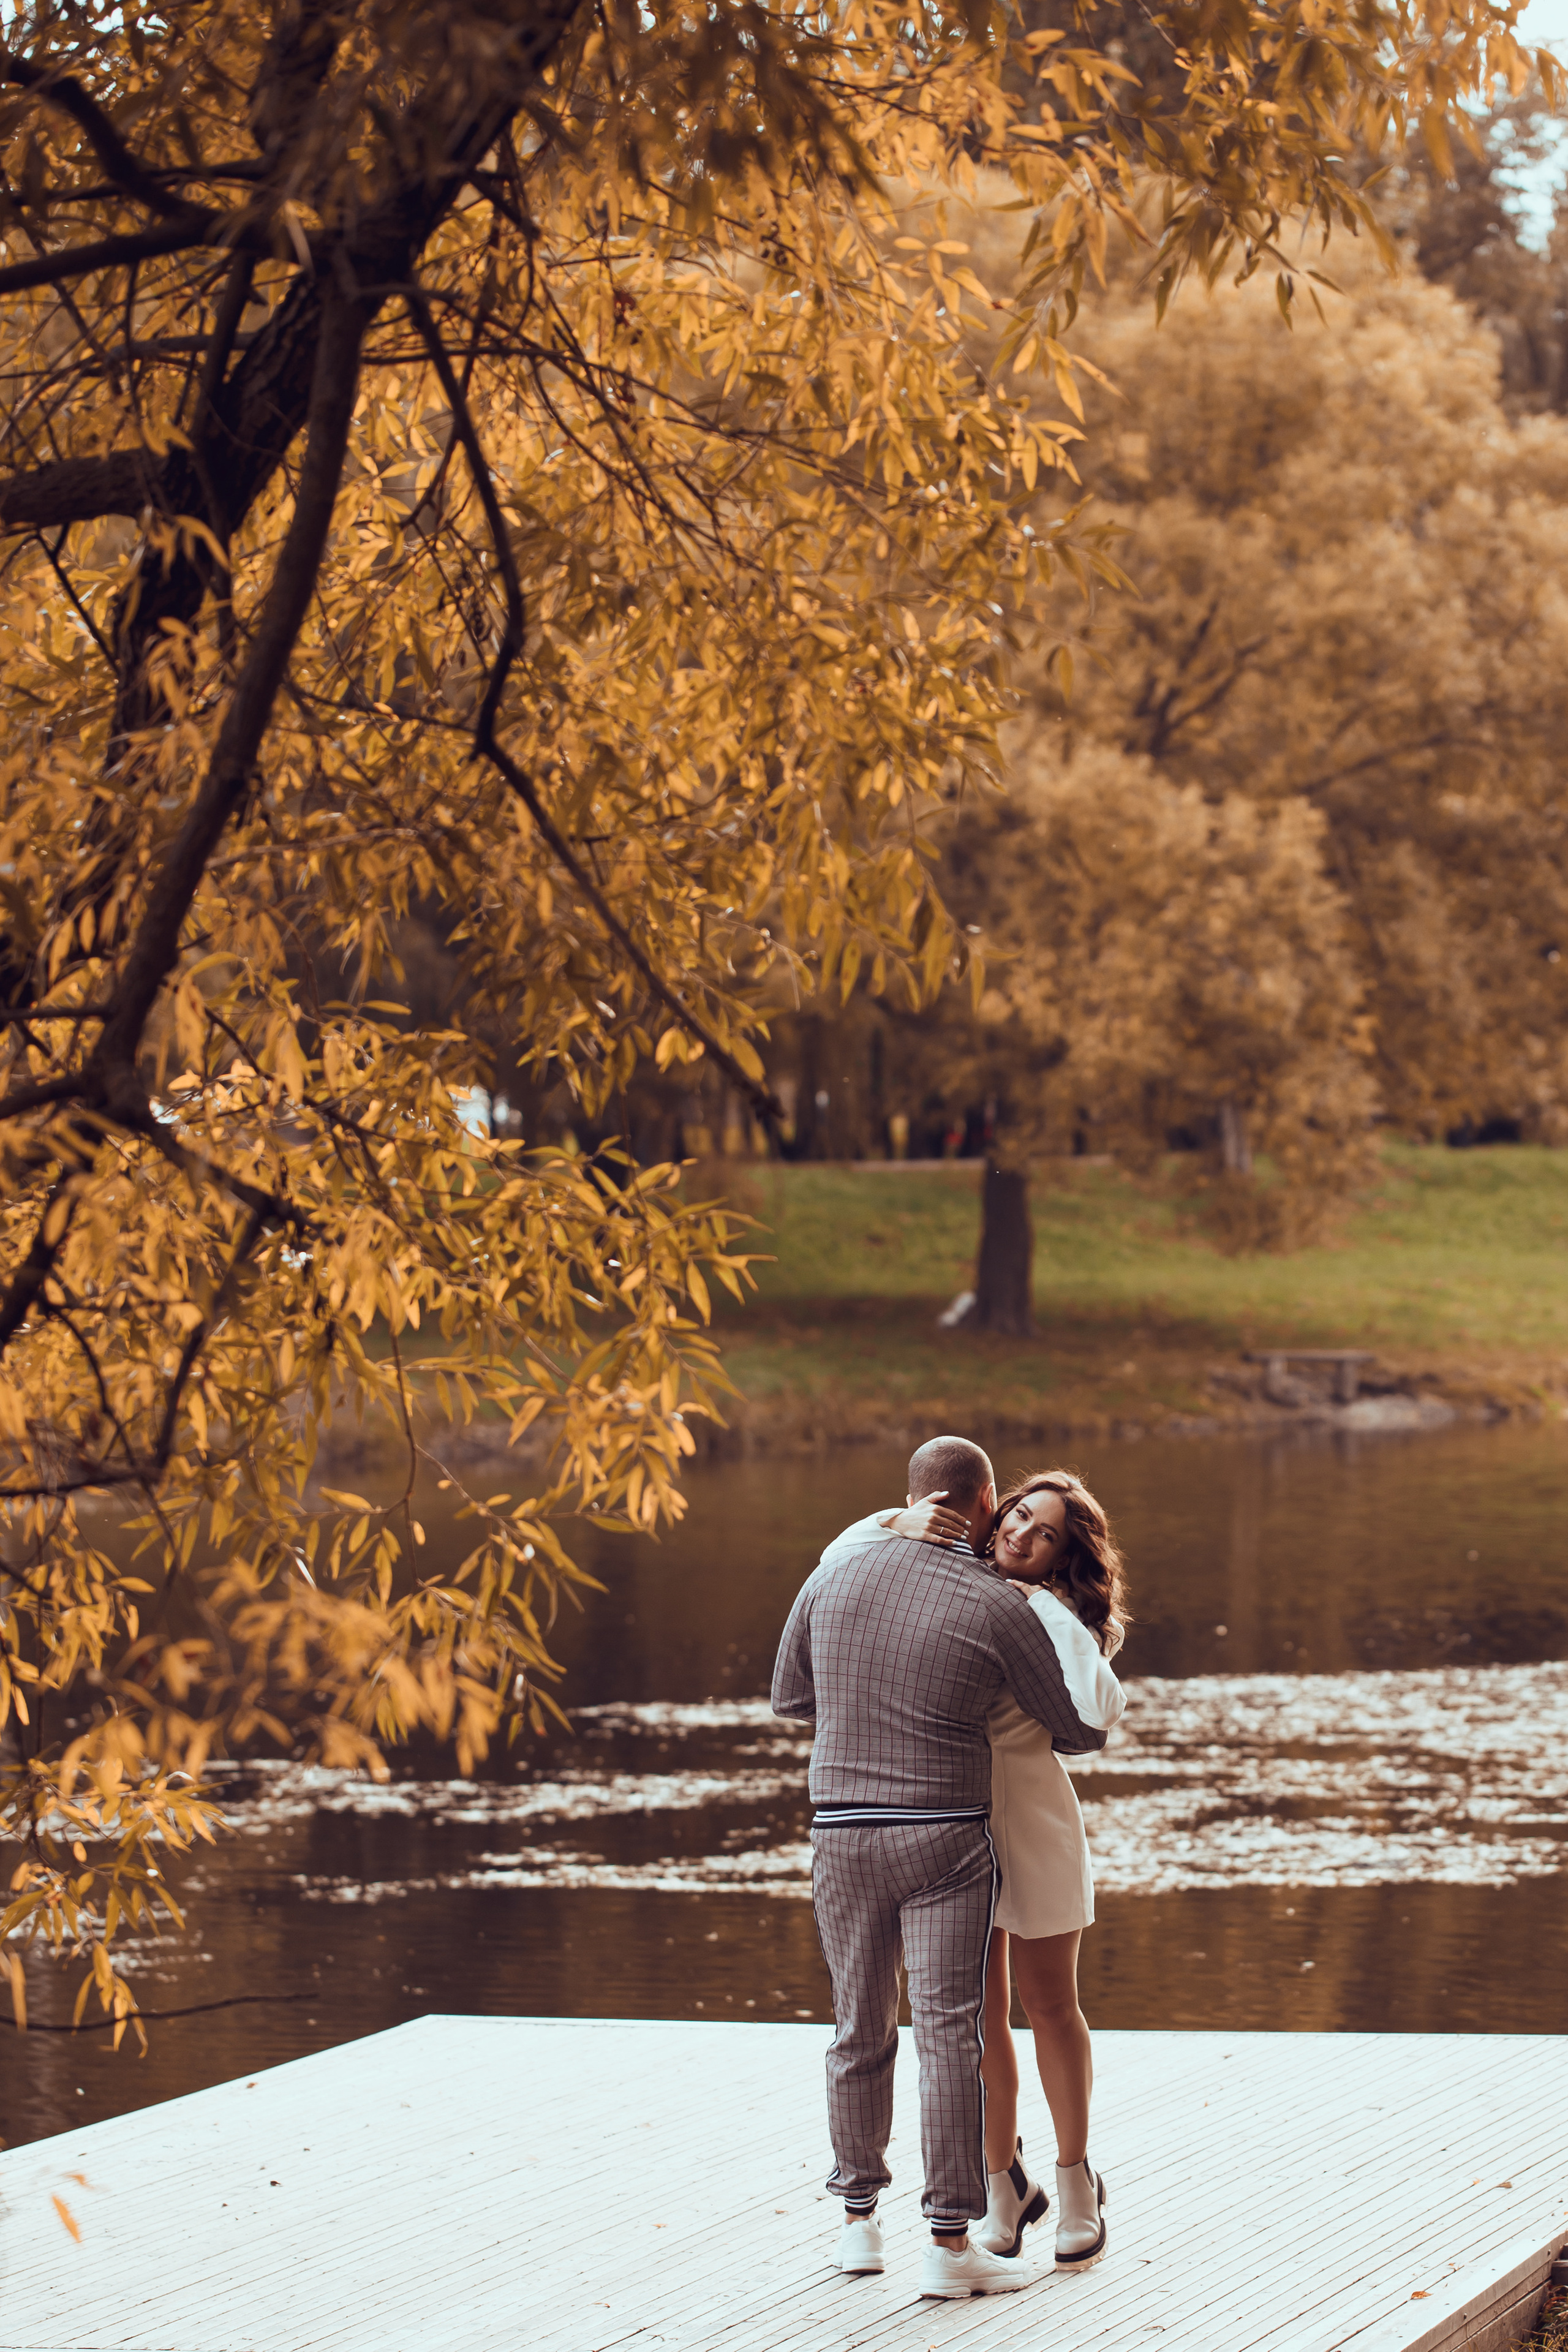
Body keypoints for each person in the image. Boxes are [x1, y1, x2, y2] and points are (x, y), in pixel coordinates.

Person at [771, 1435, 1110, 2301]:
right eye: (1017, 1515)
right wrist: (898, 1523)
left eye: (1042, 1532)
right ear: (989, 1506)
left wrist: (1059, 1619)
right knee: (970, 2026)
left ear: (1066, 1557)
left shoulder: (1027, 1610)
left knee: (1036, 2006)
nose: (1022, 1535)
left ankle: (1068, 2182)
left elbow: (1091, 1718)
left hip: (1014, 1822)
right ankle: (994, 2196)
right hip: (952, 1825)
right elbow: (845, 1561)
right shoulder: (955, 1585)